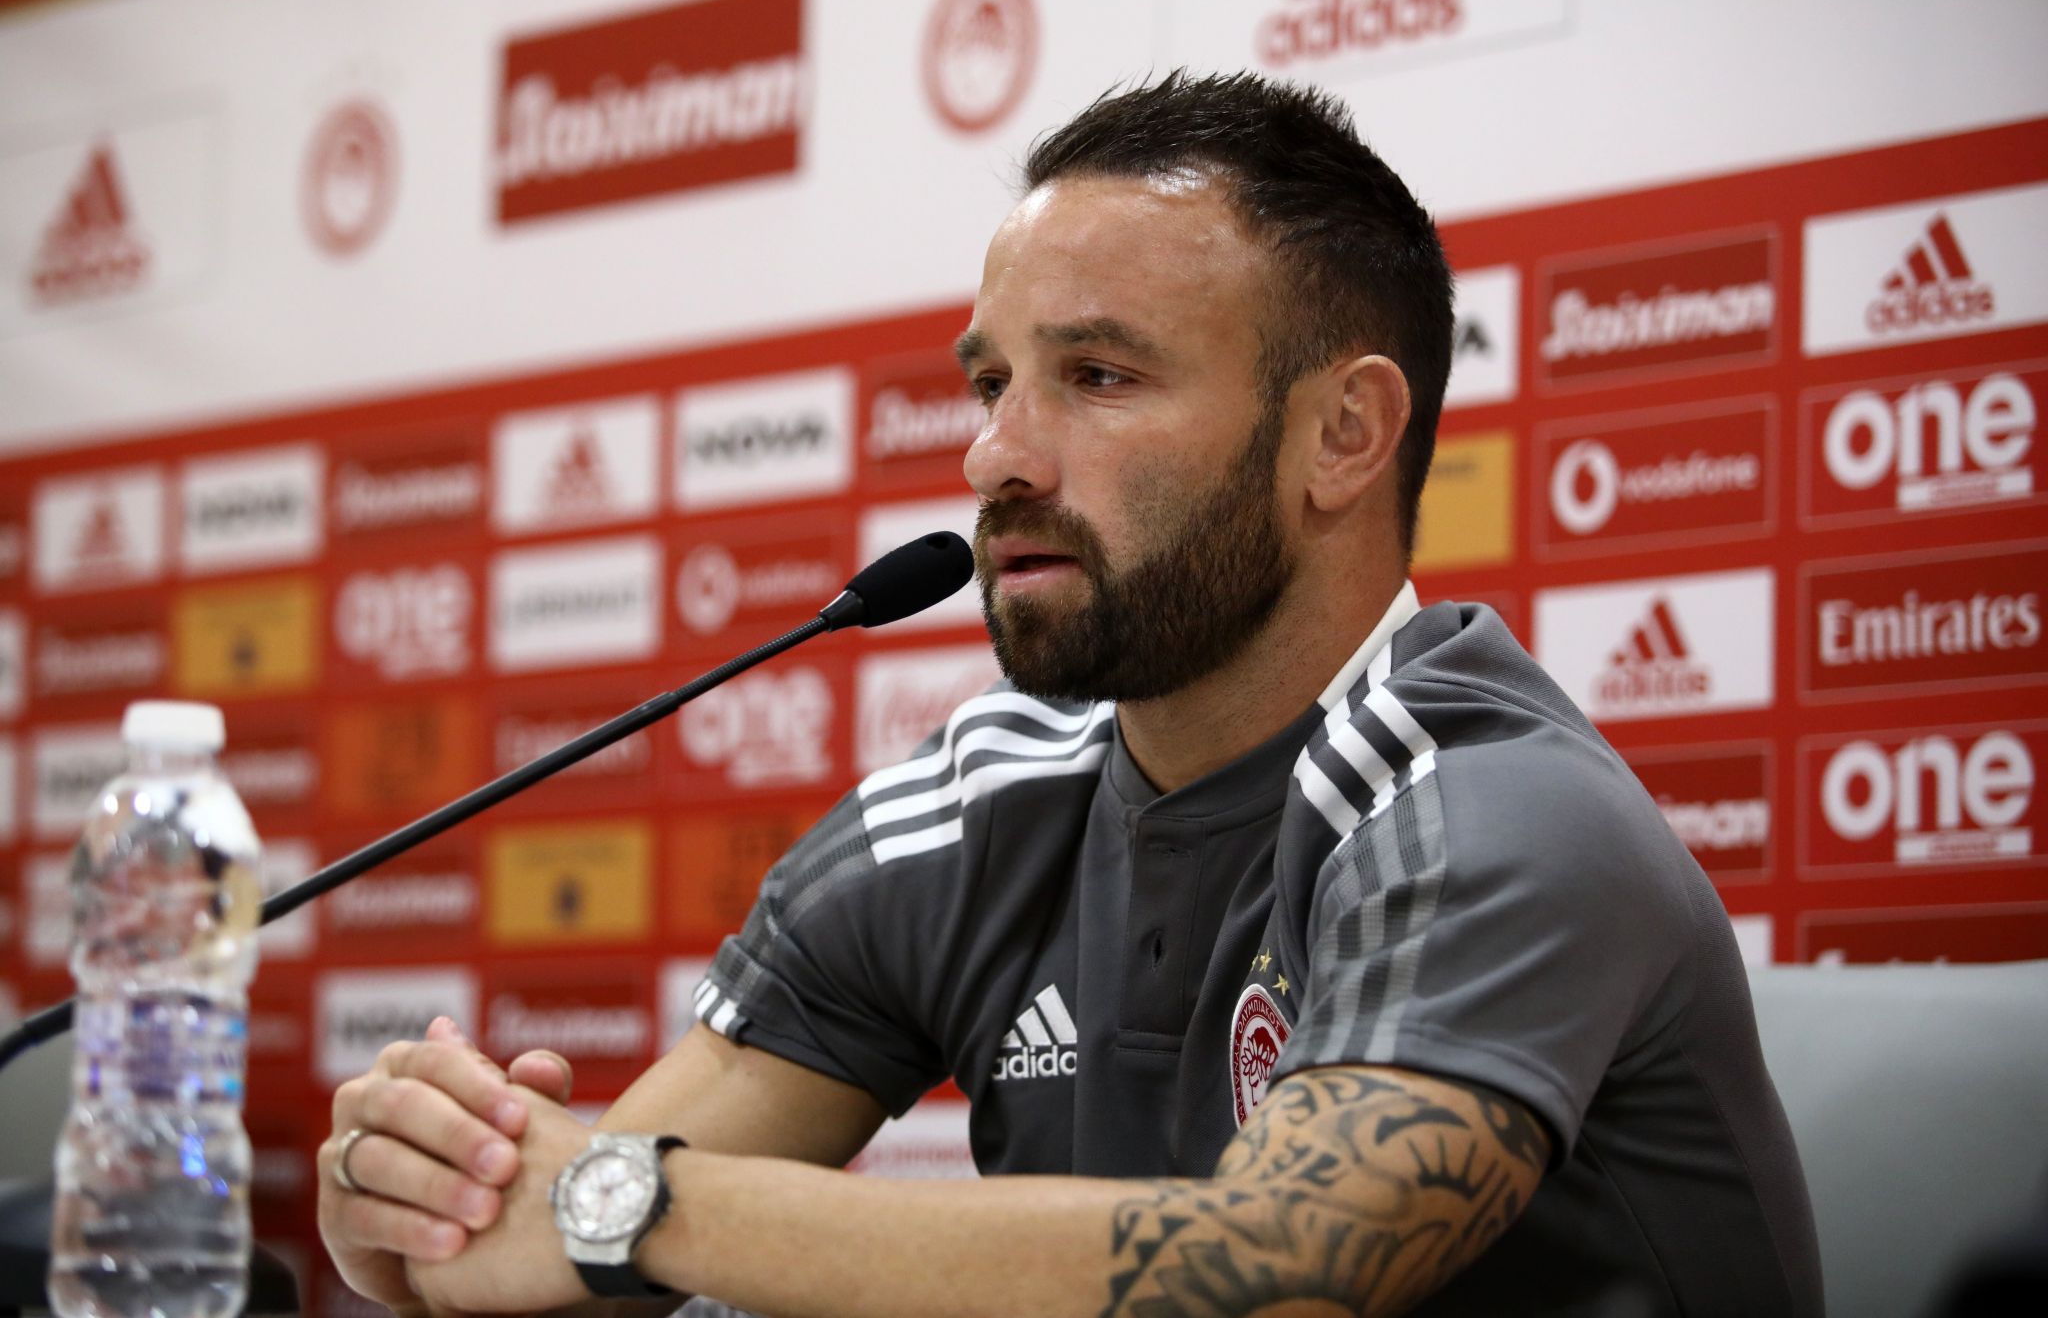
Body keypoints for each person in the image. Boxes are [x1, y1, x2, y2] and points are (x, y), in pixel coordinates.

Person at [316, 71, 1823, 1316]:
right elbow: (564, 1254)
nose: (996, 457)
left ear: (1343, 437)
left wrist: (619, 1204)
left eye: (1098, 376)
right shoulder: (981, 804)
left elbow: (1275, 1275)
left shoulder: (1490, 812)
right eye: (992, 385)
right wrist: (433, 1201)